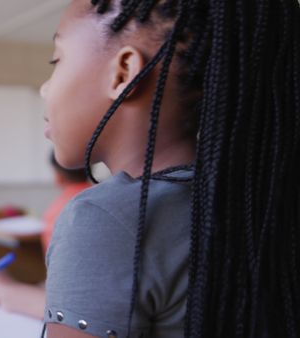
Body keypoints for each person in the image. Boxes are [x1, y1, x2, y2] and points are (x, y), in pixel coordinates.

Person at [37, 1, 300, 338]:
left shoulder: (103, 218)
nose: (44, 88)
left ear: (122, 73)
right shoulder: (256, 207)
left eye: (56, 60)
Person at [0, 151, 91, 319]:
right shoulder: (101, 197)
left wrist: (5, 289)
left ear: (57, 177)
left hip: (63, 295)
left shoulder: (58, 210)